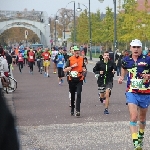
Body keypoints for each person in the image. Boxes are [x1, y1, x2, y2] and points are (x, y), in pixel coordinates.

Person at [118, 39, 150, 150]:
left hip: (145, 92)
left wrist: (148, 76)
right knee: (133, 116)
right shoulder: (126, 60)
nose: (136, 49)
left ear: (141, 48)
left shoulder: (148, 59)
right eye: (134, 47)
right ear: (130, 48)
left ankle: (141, 136)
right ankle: (136, 143)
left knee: (142, 118)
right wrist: (122, 76)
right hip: (131, 91)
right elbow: (123, 68)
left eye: (138, 47)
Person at [64, 46, 86, 116]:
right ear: (73, 52)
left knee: (79, 94)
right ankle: (72, 109)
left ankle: (78, 110)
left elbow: (84, 68)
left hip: (79, 79)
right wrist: (72, 66)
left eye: (78, 50)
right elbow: (65, 70)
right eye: (75, 50)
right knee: (73, 95)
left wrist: (84, 70)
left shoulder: (82, 59)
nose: (77, 52)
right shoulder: (70, 59)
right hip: (72, 79)